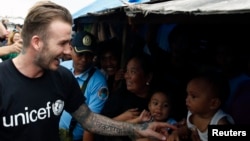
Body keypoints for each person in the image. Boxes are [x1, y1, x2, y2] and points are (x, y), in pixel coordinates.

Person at [0, 1, 176, 141]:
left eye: (69, 43)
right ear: (37, 42)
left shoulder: (62, 77)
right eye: (62, 43)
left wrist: (138, 128)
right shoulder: (2, 80)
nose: (69, 52)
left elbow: (90, 120)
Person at [94, 52, 157, 141]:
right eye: (126, 71)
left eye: (133, 72)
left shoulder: (158, 101)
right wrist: (121, 119)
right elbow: (98, 129)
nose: (127, 76)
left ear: (148, 77)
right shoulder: (119, 97)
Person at [59, 31, 109, 141]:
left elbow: (90, 124)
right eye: (80, 54)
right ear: (71, 49)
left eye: (89, 55)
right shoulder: (62, 69)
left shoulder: (99, 82)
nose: (84, 59)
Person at [167, 71, 234, 141]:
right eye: (187, 94)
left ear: (214, 103)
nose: (187, 99)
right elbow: (188, 128)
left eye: (193, 96)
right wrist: (177, 133)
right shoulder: (193, 112)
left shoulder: (220, 123)